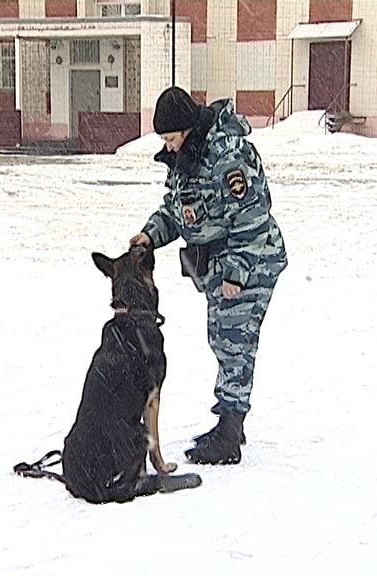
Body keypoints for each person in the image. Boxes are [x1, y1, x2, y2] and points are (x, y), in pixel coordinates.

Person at [130, 86, 287, 465]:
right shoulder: (188, 155)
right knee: (222, 339)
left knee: (234, 342)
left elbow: (253, 218)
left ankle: (229, 434)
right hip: (220, 266)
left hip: (251, 262)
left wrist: (235, 274)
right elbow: (177, 210)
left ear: (186, 129)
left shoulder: (227, 158)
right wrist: (151, 234)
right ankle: (231, 421)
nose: (167, 147)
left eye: (170, 138)